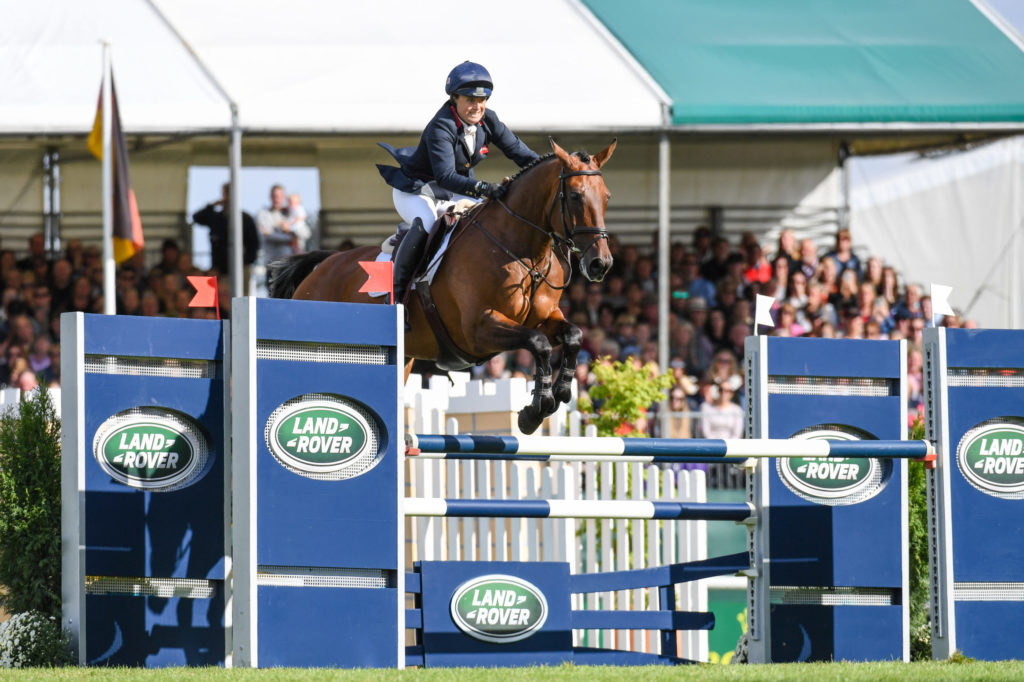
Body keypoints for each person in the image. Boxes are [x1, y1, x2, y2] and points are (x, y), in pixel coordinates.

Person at [376, 61, 539, 322]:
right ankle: (395, 301)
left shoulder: (489, 120)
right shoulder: (441, 126)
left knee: (487, 220)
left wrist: (551, 167)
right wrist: (485, 188)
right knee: (429, 224)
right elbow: (445, 176)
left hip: (453, 191)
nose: (477, 106)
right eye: (470, 99)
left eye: (482, 99)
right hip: (418, 191)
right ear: (454, 99)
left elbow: (520, 153)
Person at [192, 183, 259, 288]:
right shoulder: (216, 218)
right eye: (225, 193)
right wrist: (213, 205)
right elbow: (197, 217)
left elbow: (254, 244)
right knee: (221, 299)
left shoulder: (245, 219)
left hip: (241, 268)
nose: (228, 197)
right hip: (219, 270)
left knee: (241, 300)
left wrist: (245, 262)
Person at [257, 185, 297, 265]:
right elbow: (266, 234)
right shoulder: (263, 213)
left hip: (290, 263)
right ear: (270, 197)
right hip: (272, 263)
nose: (276, 199)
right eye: (274, 196)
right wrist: (290, 237)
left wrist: (290, 229)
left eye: (279, 196)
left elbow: (305, 232)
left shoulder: (291, 213)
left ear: (284, 197)